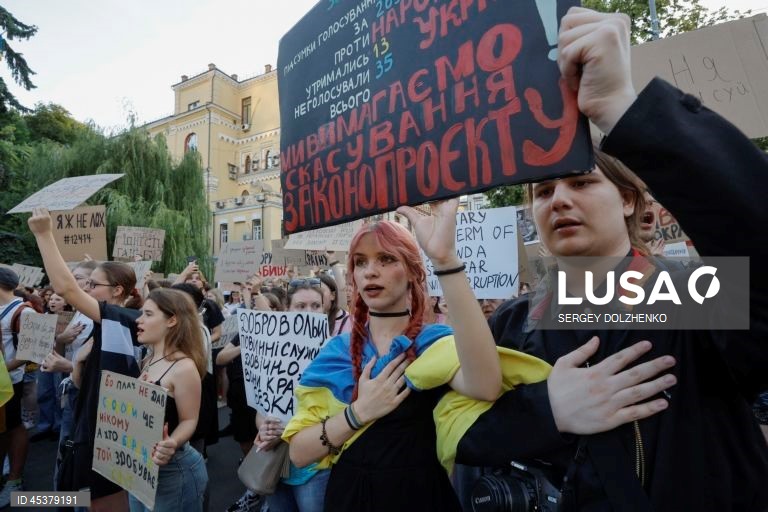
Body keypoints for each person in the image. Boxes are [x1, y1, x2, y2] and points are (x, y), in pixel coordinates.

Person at [453, 8, 768, 511]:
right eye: (543, 190)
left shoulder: (697, 294)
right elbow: (459, 434)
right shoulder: (512, 322)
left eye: (581, 183)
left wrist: (622, 108)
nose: (558, 200)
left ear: (627, 199)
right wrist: (547, 409)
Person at [283, 208, 502, 511]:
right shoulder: (336, 353)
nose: (370, 271)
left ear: (413, 271)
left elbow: (486, 385)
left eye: (386, 259)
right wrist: (359, 413)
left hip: (420, 498)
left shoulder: (433, 343)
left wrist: (445, 259)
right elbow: (298, 453)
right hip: (349, 498)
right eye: (361, 262)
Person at [28, 208, 144, 512]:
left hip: (112, 433)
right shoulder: (101, 323)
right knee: (72, 491)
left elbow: (65, 287)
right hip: (86, 421)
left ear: (118, 290)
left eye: (92, 285)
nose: (84, 290)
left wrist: (43, 233)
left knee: (99, 501)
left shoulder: (127, 320)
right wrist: (77, 366)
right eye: (85, 283)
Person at [257, 279, 333, 512]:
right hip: (277, 463)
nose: (309, 312)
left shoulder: (335, 352)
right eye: (301, 306)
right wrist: (264, 427)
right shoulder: (271, 351)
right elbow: (262, 406)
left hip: (315, 467)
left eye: (315, 305)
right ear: (287, 309)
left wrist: (293, 430)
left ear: (324, 309)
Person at [130, 288, 208, 512]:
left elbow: (189, 420)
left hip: (174, 472)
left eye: (148, 314)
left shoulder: (184, 368)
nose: (139, 319)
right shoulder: (149, 358)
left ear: (172, 320)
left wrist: (172, 442)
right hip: (141, 469)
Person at [0, 267, 33, 507]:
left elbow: (31, 353)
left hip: (10, 383)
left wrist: (3, 370)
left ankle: (14, 480)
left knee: (12, 427)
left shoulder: (24, 312)